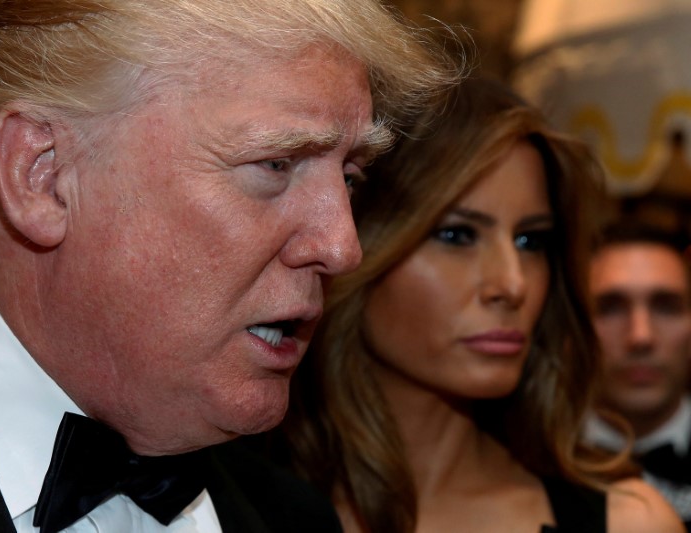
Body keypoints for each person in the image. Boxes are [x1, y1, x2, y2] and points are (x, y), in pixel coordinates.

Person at [0, 1, 463, 532]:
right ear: (42, 175)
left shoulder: (294, 516)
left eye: (349, 177)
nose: (343, 247)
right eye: (275, 164)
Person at [275, 77, 684, 532]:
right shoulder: (224, 507)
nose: (512, 284)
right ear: (354, 243)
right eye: (457, 235)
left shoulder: (629, 521)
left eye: (531, 241)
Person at [584, 221, 691, 530]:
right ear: (571, 328)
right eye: (610, 308)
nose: (640, 336)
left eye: (666, 307)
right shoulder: (522, 463)